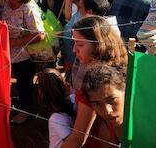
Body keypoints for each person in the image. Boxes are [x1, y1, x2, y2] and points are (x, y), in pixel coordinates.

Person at [62, 16, 127, 148]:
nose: (74, 50)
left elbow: (78, 138)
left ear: (98, 45)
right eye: (74, 43)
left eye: (80, 44)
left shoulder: (96, 84)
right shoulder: (121, 67)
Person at [0, 0, 46, 124]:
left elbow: (40, 34)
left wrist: (15, 42)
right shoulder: (7, 1)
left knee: (25, 82)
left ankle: (25, 112)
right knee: (19, 81)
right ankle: (21, 102)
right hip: (10, 52)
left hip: (24, 55)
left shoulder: (28, 8)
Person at [82, 64, 126, 146]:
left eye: (112, 99)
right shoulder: (105, 131)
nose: (107, 111)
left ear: (125, 92)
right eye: (97, 104)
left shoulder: (150, 122)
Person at [37, 69, 75, 148]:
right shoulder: (74, 99)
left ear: (41, 92)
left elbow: (73, 143)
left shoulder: (56, 119)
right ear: (64, 85)